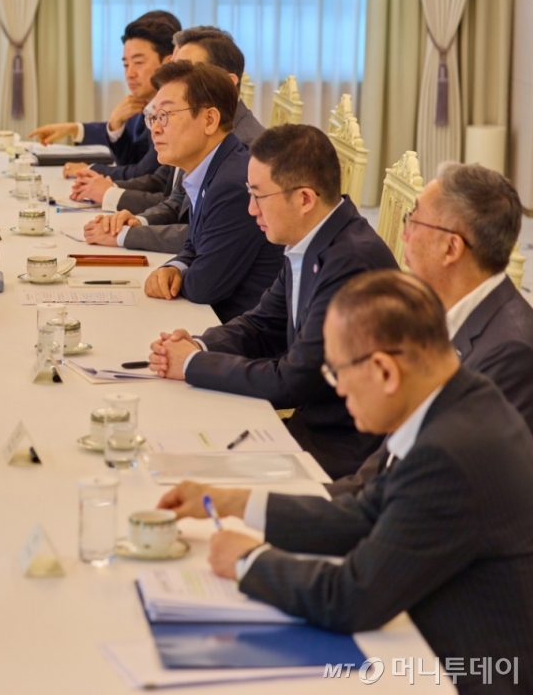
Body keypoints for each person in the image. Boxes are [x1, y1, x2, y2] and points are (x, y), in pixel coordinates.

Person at [157, 271, 533, 692]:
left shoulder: (448, 455)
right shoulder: (460, 398)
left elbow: (353, 597)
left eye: (337, 374)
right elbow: (364, 513)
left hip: (471, 671)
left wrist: (250, 561)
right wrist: (231, 501)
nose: (338, 390)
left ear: (384, 371)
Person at [148, 125, 396, 478]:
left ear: (305, 198)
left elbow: (292, 381)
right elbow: (263, 324)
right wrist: (196, 344)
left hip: (338, 452)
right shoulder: (313, 237)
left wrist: (192, 365)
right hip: (309, 427)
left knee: (181, 471)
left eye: (258, 196)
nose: (251, 210)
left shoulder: (350, 263)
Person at [330, 162, 533, 494]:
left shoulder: (511, 352)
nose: (404, 233)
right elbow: (391, 456)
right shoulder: (438, 312)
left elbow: (443, 486)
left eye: (413, 220)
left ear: (451, 248)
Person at [82, 27, 266, 252]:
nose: (177, 80)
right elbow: (178, 201)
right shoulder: (192, 131)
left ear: (227, 83)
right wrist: (137, 221)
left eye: (190, 71)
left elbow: (210, 234)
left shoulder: (245, 149)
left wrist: (128, 235)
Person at [138, 60, 282, 322]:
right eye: (154, 117)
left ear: (210, 120)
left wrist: (179, 275)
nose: (156, 128)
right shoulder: (212, 168)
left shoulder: (233, 184)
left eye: (166, 116)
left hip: (242, 331)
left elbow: (204, 286)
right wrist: (175, 266)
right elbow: (194, 246)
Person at [29, 11, 180, 179]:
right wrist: (77, 128)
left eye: (138, 63)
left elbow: (144, 174)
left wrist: (92, 169)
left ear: (168, 63)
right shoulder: (144, 104)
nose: (129, 74)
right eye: (125, 64)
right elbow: (129, 160)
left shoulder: (172, 112)